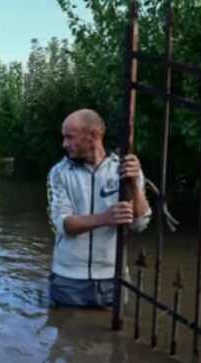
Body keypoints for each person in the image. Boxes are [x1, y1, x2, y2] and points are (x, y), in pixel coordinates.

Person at [47, 109, 151, 307]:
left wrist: (134, 184)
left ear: (93, 135)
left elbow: (140, 223)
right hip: (68, 280)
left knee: (114, 336)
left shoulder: (125, 168)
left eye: (69, 137)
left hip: (114, 279)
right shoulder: (58, 173)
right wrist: (105, 218)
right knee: (67, 337)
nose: (64, 144)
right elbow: (62, 224)